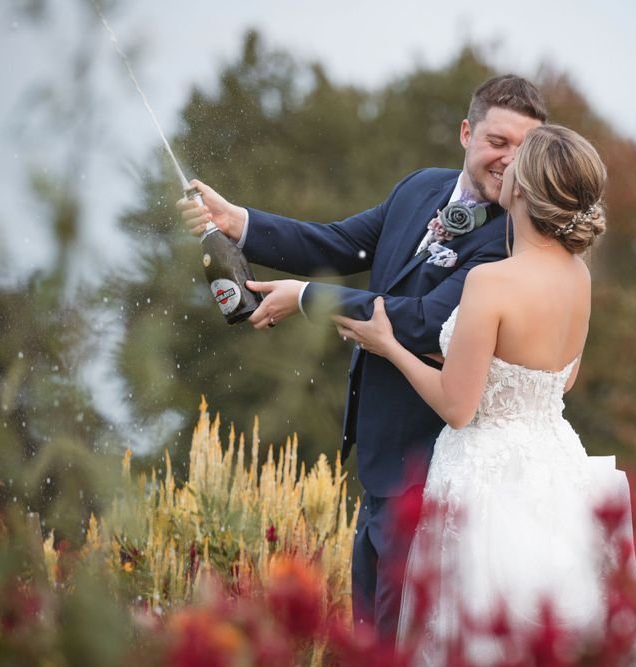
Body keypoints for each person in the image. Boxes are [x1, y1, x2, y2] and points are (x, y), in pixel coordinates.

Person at [178, 75, 547, 639]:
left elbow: (426, 321)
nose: (510, 160)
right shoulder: (420, 188)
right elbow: (338, 245)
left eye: (525, 148)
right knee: (370, 633)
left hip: (433, 465)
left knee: (398, 638)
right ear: (466, 133)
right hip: (378, 457)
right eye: (499, 141)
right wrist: (239, 223)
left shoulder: (512, 241)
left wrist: (307, 297)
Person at [334, 125, 636, 664]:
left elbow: (458, 408)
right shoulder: (578, 276)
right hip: (557, 469)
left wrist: (388, 345)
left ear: (524, 189)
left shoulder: (493, 281)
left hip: (485, 478)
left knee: (479, 631)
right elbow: (561, 378)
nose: (505, 166)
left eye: (518, 161)